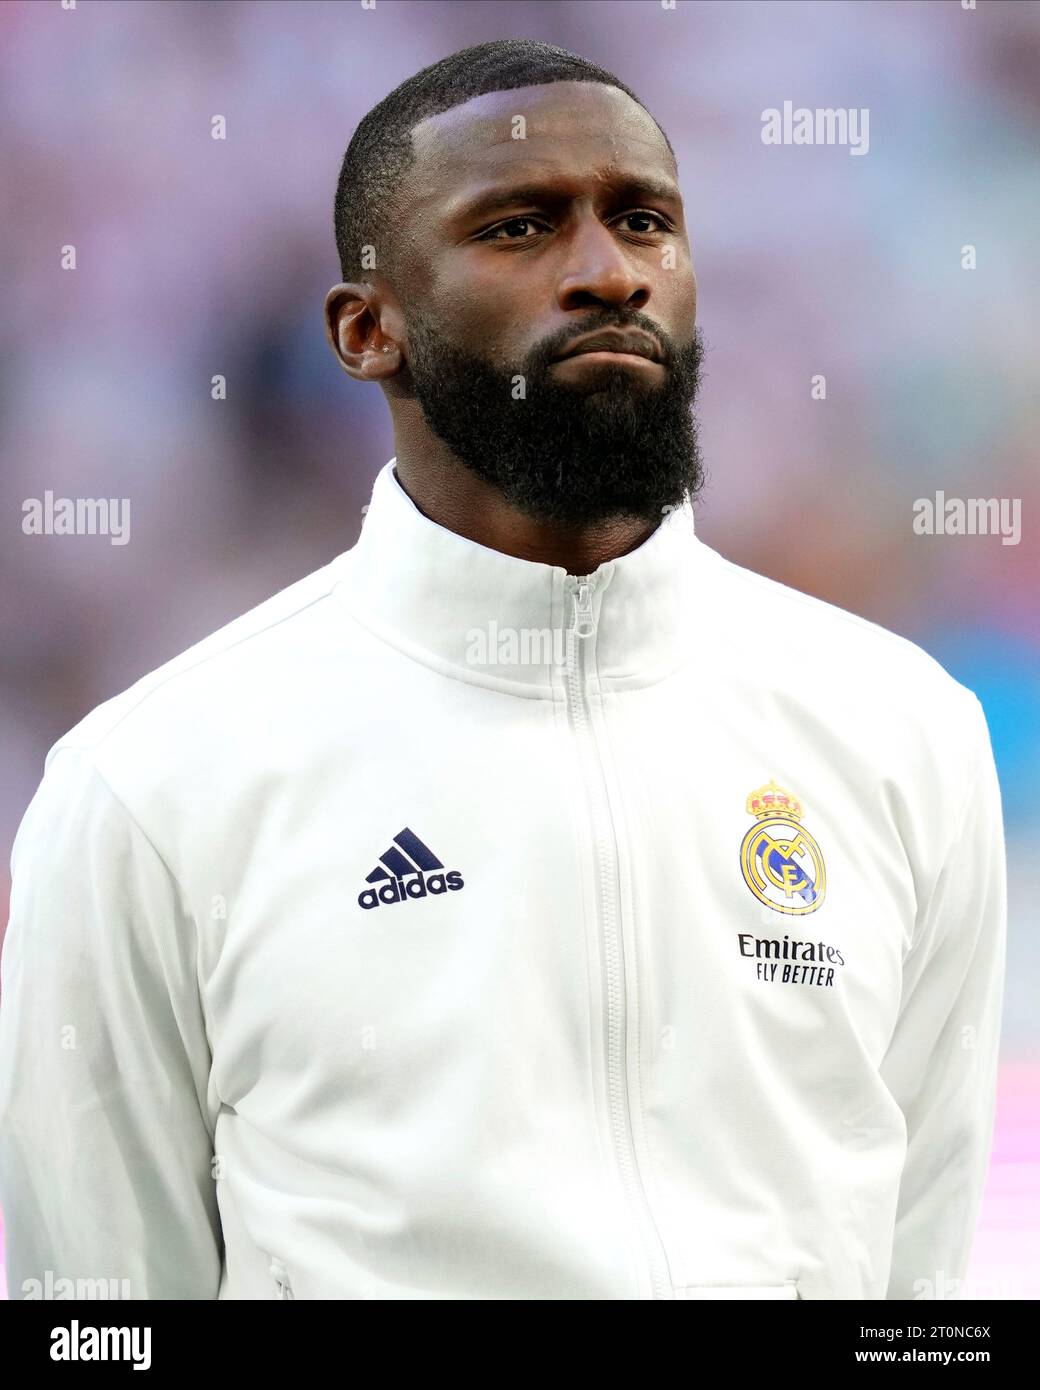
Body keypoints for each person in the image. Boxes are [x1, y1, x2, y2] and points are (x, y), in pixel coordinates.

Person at [0, 39, 1006, 1301]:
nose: (609, 273)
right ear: (368, 329)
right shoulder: (152, 784)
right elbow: (98, 1316)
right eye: (520, 227)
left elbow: (916, 1290)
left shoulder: (900, 729)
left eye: (643, 221)